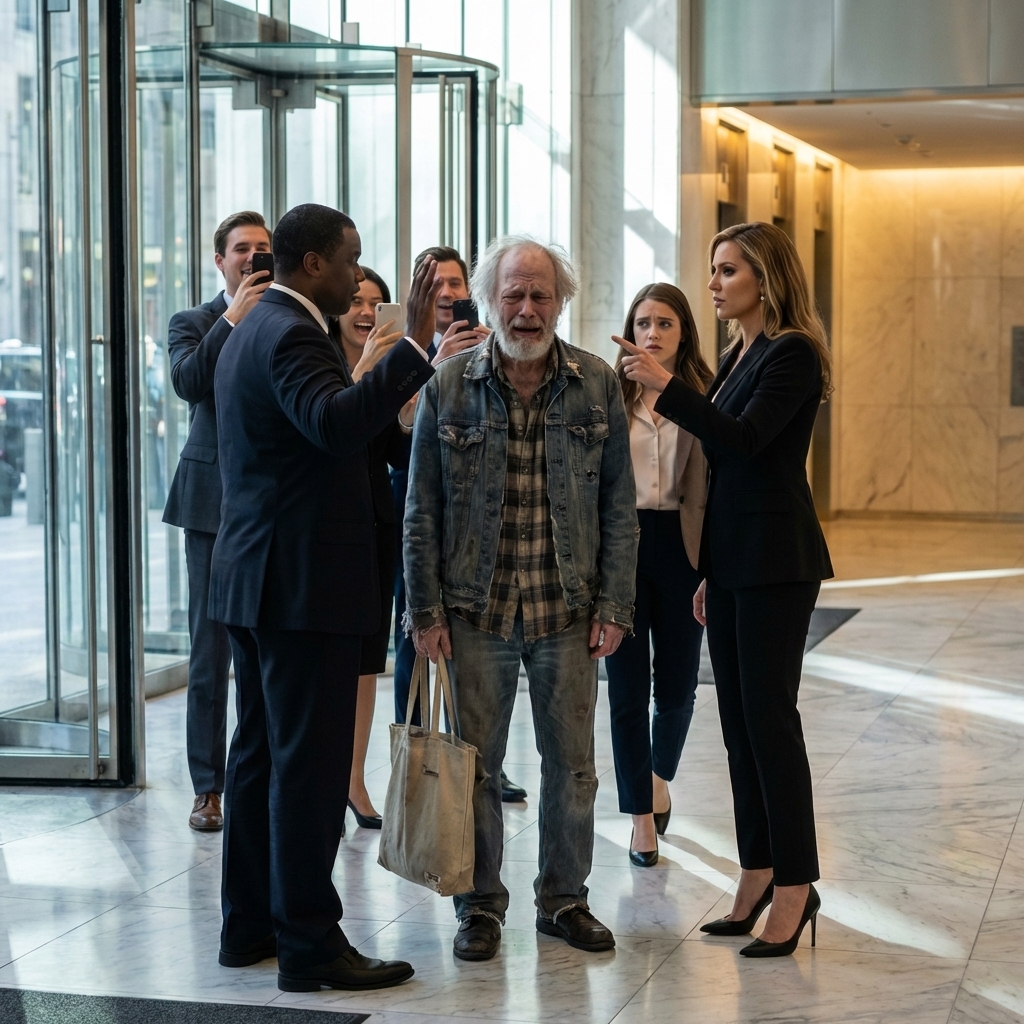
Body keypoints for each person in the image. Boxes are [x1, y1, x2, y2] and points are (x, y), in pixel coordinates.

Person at [210, 203, 439, 991]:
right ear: (313, 265)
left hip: (258, 581)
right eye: (350, 260)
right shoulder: (292, 332)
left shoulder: (252, 329)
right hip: (299, 588)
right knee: (307, 771)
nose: (358, 276)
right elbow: (334, 426)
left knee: (259, 759)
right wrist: (412, 349)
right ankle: (310, 944)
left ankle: (249, 927)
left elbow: (312, 439)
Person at [404, 235, 638, 962]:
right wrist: (425, 613)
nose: (527, 309)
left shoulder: (597, 384)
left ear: (561, 302)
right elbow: (421, 510)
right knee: (475, 768)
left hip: (568, 610)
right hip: (475, 612)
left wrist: (615, 606)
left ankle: (564, 899)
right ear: (489, 300)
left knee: (573, 768)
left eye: (541, 295)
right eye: (514, 295)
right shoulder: (449, 385)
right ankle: (479, 906)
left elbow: (619, 508)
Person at [618, 221, 834, 959]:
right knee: (739, 726)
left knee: (771, 724)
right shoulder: (743, 353)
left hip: (777, 561)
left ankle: (796, 885)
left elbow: (743, 441)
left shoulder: (793, 353)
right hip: (737, 561)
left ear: (764, 279)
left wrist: (664, 387)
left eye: (728, 270)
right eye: (712, 270)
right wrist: (709, 567)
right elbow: (720, 477)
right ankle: (757, 870)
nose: (712, 283)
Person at [392, 245, 528, 805]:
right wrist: (435, 367)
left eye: (456, 283)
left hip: (480, 528)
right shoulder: (404, 352)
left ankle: (478, 759)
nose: (448, 293)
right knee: (417, 643)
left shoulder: (498, 350)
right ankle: (415, 767)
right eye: (436, 284)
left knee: (476, 656)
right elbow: (399, 431)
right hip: (420, 518)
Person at [161, 210, 272, 832]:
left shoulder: (288, 320)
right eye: (242, 249)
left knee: (265, 651)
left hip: (270, 503)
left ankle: (262, 780)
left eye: (263, 248)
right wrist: (234, 319)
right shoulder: (195, 322)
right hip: (209, 505)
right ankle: (208, 788)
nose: (253, 257)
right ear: (219, 260)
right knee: (210, 652)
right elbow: (188, 382)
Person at [607, 283, 713, 868]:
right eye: (643, 322)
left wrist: (712, 566)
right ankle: (640, 819)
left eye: (665, 323)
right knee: (625, 688)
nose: (652, 333)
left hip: (682, 546)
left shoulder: (703, 395)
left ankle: (657, 777)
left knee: (676, 686)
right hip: (623, 547)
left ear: (683, 333)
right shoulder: (610, 395)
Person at [332, 266, 409, 830]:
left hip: (375, 525)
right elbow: (331, 431)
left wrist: (403, 411)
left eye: (376, 303)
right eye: (356, 301)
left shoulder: (387, 367)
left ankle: (354, 780)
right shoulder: (317, 359)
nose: (365, 312)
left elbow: (394, 454)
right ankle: (324, 782)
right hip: (324, 532)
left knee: (365, 664)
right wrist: (363, 377)